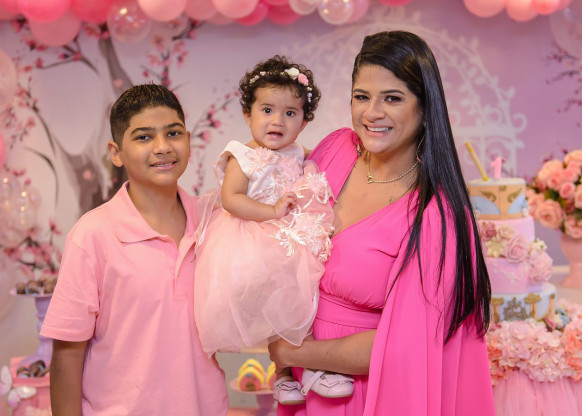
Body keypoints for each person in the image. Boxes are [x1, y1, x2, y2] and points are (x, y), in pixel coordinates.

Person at [268, 30, 495, 415]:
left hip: (364, 395)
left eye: (392, 98)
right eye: (362, 97)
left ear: (425, 109)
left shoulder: (433, 215)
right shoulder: (335, 149)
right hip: (301, 388)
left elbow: (406, 345)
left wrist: (294, 352)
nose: (372, 113)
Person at [40, 84, 229, 415]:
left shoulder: (214, 222)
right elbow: (67, 354)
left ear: (187, 140)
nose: (163, 147)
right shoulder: (92, 235)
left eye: (173, 133)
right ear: (116, 153)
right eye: (143, 137)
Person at [193, 55, 352, 405]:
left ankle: (298, 371)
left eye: (290, 113)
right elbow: (231, 199)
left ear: (304, 122)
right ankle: (285, 370)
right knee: (277, 304)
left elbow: (322, 170)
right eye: (267, 110)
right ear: (248, 115)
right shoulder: (242, 156)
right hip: (253, 238)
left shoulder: (298, 152)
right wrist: (272, 212)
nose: (277, 120)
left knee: (305, 302)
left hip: (291, 237)